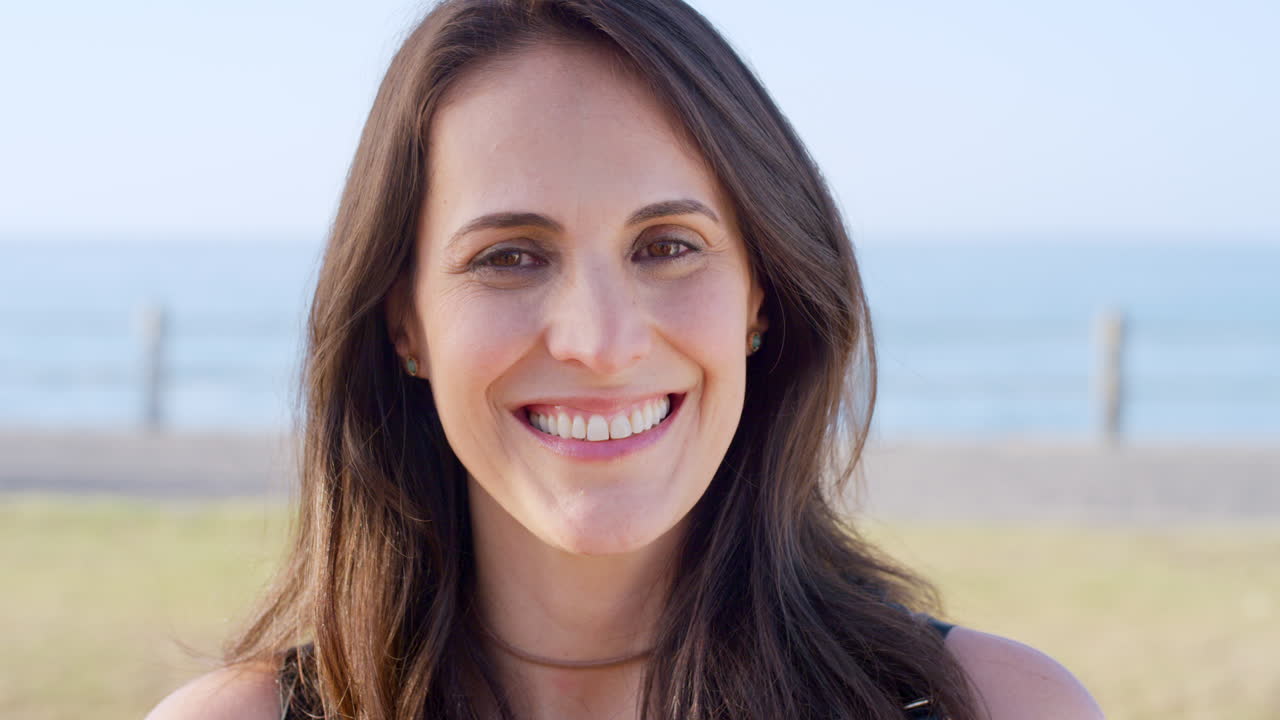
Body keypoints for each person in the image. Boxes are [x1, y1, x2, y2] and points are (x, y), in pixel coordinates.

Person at [148, 1, 1104, 718]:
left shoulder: (1002, 708)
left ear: (759, 297)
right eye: (509, 257)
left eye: (667, 246)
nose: (601, 342)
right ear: (405, 324)